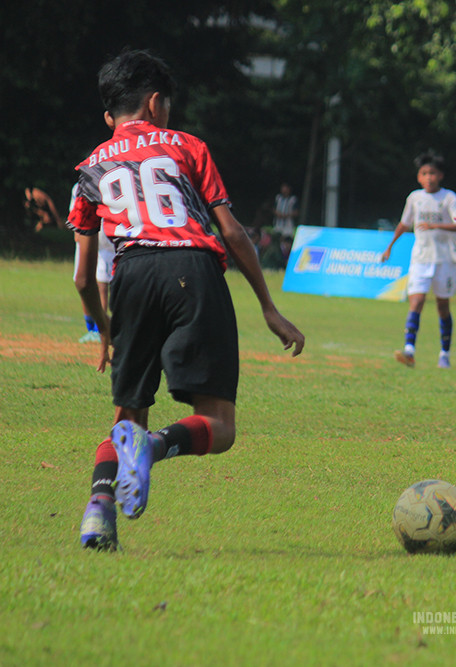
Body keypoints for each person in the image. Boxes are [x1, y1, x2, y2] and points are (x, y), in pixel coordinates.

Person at [68, 49, 305, 551]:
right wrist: (268, 306)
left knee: (125, 417)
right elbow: (233, 232)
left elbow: (84, 277)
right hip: (192, 270)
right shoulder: (186, 146)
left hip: (130, 274)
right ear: (156, 103)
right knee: (220, 425)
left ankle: (97, 512)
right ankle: (155, 448)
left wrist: (104, 327)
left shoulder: (89, 167)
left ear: (112, 114)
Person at [381, 150, 456, 369]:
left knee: (442, 307)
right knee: (416, 302)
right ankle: (409, 350)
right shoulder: (415, 198)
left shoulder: (449, 198)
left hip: (445, 259)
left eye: (433, 173)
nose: (429, 177)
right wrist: (390, 246)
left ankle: (444, 354)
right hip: (420, 258)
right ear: (419, 177)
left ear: (441, 176)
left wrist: (436, 225)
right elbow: (404, 223)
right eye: (424, 173)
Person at [70, 184, 115, 343]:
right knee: (81, 282)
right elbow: (75, 213)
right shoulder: (79, 187)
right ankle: (91, 328)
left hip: (105, 243)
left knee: (102, 286)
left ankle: (100, 329)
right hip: (85, 241)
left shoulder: (110, 184)